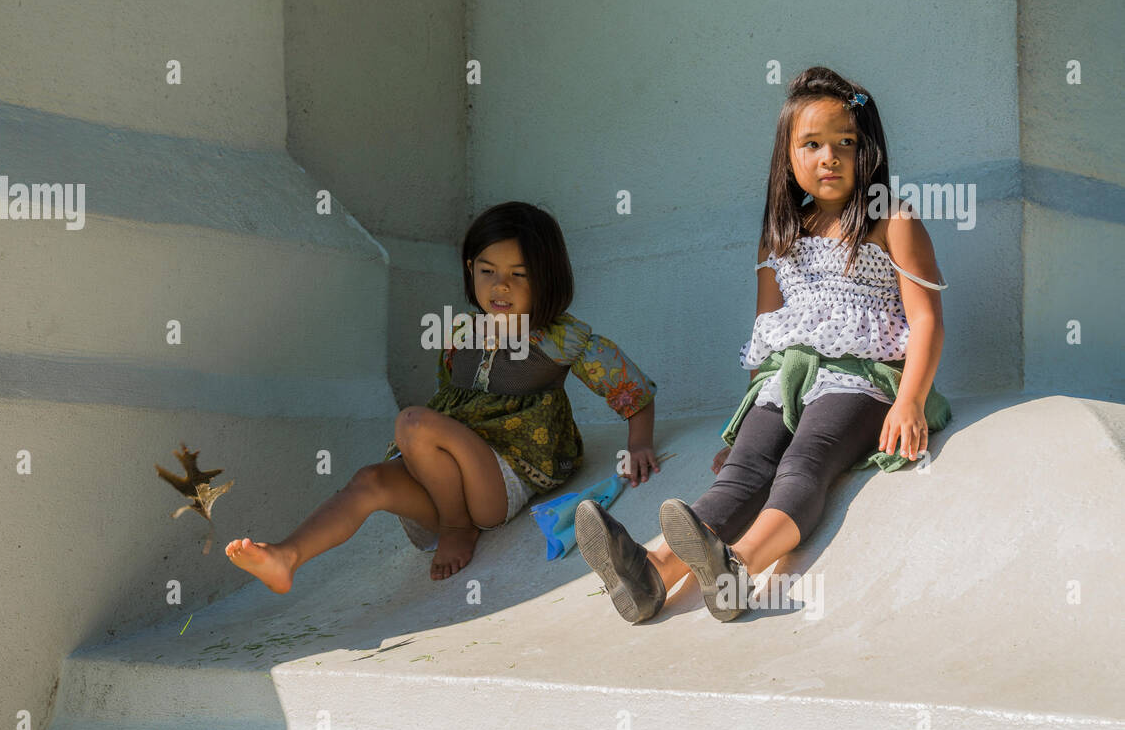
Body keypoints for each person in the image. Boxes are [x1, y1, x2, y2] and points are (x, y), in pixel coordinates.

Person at [577, 66, 951, 624]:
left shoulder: (890, 222)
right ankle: (650, 571)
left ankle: (740, 566)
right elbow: (766, 337)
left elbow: (926, 320)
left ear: (868, 151)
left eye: (846, 143)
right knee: (746, 467)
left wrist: (910, 401)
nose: (829, 157)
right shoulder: (781, 236)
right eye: (812, 144)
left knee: (805, 460)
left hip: (862, 379)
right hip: (785, 378)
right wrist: (748, 419)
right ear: (788, 156)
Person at [225, 200, 659, 589]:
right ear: (470, 269)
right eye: (487, 271)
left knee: (414, 422)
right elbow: (451, 403)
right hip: (446, 486)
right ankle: (286, 556)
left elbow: (629, 388)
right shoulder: (459, 332)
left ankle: (457, 528)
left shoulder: (563, 338)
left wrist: (637, 444)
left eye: (518, 275)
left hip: (503, 478)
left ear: (547, 278)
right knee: (369, 480)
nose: (500, 286)